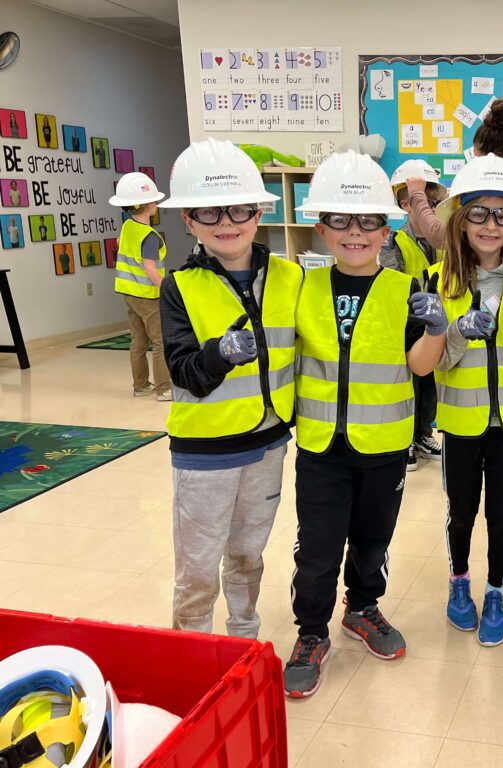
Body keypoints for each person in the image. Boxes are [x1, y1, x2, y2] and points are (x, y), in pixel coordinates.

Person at [283, 151, 447, 698]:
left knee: (374, 539)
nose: (355, 233)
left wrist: (437, 330)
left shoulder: (404, 290)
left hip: (383, 445)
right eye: (340, 220)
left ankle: (364, 608)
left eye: (368, 221)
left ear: (387, 226)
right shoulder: (300, 287)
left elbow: (420, 366)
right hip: (322, 446)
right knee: (318, 546)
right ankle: (311, 631)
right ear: (320, 225)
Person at [158, 139, 302, 642]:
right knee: (198, 568)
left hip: (267, 445)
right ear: (189, 221)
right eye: (209, 211)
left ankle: (242, 639)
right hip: (205, 456)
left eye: (239, 208)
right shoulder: (179, 286)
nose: (227, 221)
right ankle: (191, 652)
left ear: (258, 211)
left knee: (248, 553)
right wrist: (221, 353)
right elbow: (184, 372)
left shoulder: (291, 276)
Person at [431, 153, 503, 647]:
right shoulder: (441, 280)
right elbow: (433, 361)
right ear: (461, 220)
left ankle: (496, 590)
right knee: (461, 513)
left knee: (502, 518)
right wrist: (457, 331)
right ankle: (460, 584)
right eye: (479, 212)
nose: (491, 225)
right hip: (460, 424)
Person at [400, 98, 503, 262]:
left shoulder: (493, 192)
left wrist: (416, 194)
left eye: (477, 158)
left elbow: (438, 236)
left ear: (492, 158)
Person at [379, 159, 449, 470]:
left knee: (431, 386)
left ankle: (423, 433)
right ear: (408, 204)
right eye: (429, 203)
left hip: (439, 326)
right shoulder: (394, 242)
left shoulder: (445, 241)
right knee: (410, 385)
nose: (433, 210)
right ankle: (406, 439)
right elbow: (391, 287)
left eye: (436, 204)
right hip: (408, 328)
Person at [109, 172, 171, 400]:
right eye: (154, 200)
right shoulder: (150, 236)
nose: (156, 203)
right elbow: (150, 269)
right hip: (147, 295)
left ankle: (141, 385)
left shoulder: (127, 227)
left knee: (138, 341)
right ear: (148, 206)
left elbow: (121, 247)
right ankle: (164, 388)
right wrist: (167, 291)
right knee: (160, 341)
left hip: (128, 293)